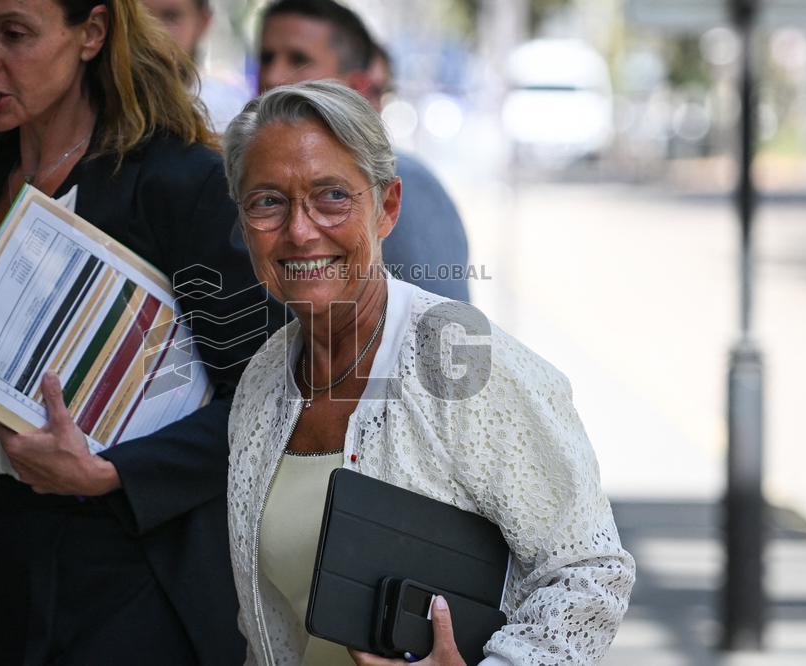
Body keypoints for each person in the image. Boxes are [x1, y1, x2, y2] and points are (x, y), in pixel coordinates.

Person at [0, 1, 276, 663]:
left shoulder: (183, 183)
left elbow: (271, 398)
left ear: (91, 32)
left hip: (132, 581)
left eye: (15, 33)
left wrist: (111, 472)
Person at [222, 81, 635, 665]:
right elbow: (266, 623)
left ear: (386, 207)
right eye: (267, 201)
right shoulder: (264, 379)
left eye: (331, 196)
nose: (299, 230)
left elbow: (590, 571)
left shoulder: (463, 361)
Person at [256, 0, 470, 302]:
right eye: (266, 58)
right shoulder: (244, 172)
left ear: (356, 86)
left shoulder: (406, 183)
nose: (273, 76)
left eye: (298, 59)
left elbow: (443, 329)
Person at [142, 0, 251, 131]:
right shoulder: (115, 113)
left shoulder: (230, 117)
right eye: (142, 17)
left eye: (171, 17)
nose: (154, 33)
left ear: (202, 23)